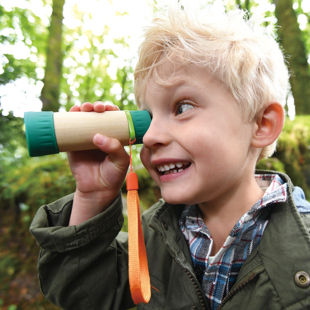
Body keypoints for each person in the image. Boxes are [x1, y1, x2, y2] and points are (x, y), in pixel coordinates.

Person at [30, 3, 310, 310]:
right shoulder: (148, 239)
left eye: (182, 108)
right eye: (147, 117)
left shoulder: (303, 246)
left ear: (262, 124)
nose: (149, 137)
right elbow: (84, 294)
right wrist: (93, 194)